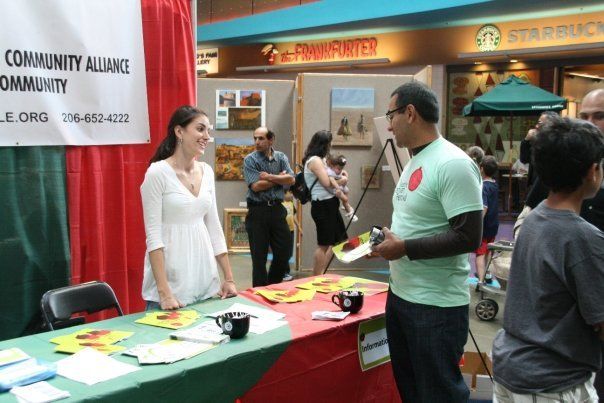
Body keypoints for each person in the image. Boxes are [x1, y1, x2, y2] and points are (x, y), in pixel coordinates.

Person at [372, 81, 483, 402]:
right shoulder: (416, 160)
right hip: (402, 296)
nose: (388, 124)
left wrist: (404, 248)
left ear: (409, 113)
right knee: (411, 391)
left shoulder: (454, 163)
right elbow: (417, 222)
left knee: (439, 394)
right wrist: (382, 242)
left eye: (390, 115)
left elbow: (468, 236)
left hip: (435, 308)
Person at [492, 118, 604, 402]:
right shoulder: (584, 238)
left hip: (512, 367)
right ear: (593, 171)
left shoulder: (533, 218)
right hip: (552, 381)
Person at [140, 105, 237, 310]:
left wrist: (229, 278)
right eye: (200, 129)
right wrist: (165, 293)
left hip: (205, 280)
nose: (206, 136)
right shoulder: (157, 173)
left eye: (208, 131)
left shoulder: (207, 172)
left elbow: (214, 227)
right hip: (171, 288)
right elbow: (153, 237)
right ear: (179, 131)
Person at [243, 127, 295, 287]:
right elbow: (256, 186)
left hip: (277, 209)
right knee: (259, 258)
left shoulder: (280, 157)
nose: (257, 142)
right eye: (255, 138)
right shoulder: (250, 160)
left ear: (271, 140)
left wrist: (271, 177)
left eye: (261, 138)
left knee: (284, 251)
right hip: (258, 211)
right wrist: (280, 178)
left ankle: (272, 286)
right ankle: (259, 292)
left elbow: (291, 179)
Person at [303, 130, 347, 275]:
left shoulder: (320, 160)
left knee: (339, 241)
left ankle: (322, 272)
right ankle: (316, 277)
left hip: (330, 203)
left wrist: (340, 178)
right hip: (322, 205)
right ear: (325, 144)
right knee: (323, 244)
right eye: (329, 142)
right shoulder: (315, 160)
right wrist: (343, 180)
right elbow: (327, 182)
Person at [474, 155, 499, 284]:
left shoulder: (483, 186)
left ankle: (481, 280)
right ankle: (487, 274)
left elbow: (484, 207)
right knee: (489, 250)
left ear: (481, 168)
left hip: (484, 226)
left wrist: (476, 223)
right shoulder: (495, 185)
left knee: (479, 254)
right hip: (494, 224)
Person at [326, 154, 358, 222]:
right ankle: (349, 213)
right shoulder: (330, 172)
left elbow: (344, 173)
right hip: (334, 189)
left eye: (341, 168)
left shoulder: (337, 170)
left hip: (341, 187)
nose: (340, 170)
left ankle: (344, 204)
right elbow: (332, 181)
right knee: (345, 199)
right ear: (332, 166)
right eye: (339, 169)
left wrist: (345, 175)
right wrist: (338, 188)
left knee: (347, 191)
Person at [281, 190, 301, 281]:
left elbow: (293, 216)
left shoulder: (291, 204)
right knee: (283, 251)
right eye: (290, 192)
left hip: (291, 230)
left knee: (289, 252)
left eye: (292, 192)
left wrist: (299, 228)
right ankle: (283, 272)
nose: (292, 194)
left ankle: (286, 272)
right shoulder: (280, 203)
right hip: (283, 231)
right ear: (284, 194)